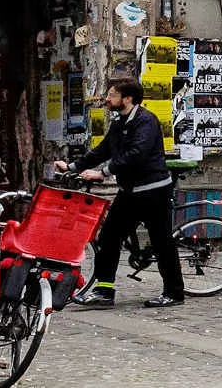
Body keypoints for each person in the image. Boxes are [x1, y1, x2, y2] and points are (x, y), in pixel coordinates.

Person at [64, 81, 183, 309]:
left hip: (153, 190)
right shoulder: (119, 123)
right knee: (109, 237)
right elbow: (104, 150)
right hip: (129, 191)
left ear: (127, 98)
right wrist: (72, 166)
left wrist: (103, 174)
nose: (107, 99)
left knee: (161, 242)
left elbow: (136, 154)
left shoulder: (146, 121)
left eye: (112, 95)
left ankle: (174, 292)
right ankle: (104, 291)